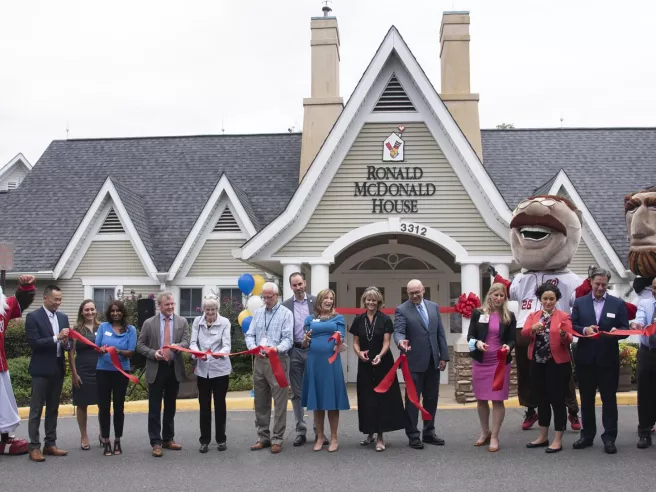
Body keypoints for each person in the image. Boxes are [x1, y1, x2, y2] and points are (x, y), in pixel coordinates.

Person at [491, 195, 587, 431]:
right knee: (528, 376)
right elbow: (508, 291)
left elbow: (582, 298)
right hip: (526, 331)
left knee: (562, 376)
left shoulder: (568, 279)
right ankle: (531, 410)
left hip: (556, 332)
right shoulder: (523, 278)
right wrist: (496, 279)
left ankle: (572, 411)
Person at [571, 268, 629, 454]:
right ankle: (587, 436)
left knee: (609, 400)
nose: (600, 287)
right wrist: (584, 330)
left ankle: (609, 438)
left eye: (604, 284)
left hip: (608, 359)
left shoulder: (617, 303)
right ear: (591, 282)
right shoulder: (580, 303)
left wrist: (616, 334)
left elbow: (625, 328)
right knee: (587, 400)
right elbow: (572, 325)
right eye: (597, 284)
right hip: (585, 359)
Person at [393, 279, 449, 450]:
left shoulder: (433, 307)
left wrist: (443, 356)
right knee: (412, 400)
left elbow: (439, 332)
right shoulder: (402, 310)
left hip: (433, 361)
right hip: (413, 362)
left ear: (423, 290)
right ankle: (413, 435)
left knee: (431, 399)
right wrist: (401, 342)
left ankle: (429, 432)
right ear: (407, 293)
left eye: (417, 292)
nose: (415, 295)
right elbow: (399, 331)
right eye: (411, 293)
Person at [350, 286, 406, 452]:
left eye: (374, 300)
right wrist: (359, 353)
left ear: (378, 302)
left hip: (383, 362)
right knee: (366, 398)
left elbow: (387, 343)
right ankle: (369, 432)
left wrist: (380, 356)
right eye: (368, 299)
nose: (371, 302)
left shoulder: (385, 319)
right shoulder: (358, 319)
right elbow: (355, 342)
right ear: (364, 301)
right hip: (365, 363)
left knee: (382, 399)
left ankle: (380, 436)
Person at [136, 291, 190, 457]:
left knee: (170, 406)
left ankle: (168, 438)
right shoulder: (149, 323)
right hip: (156, 368)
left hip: (173, 368)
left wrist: (177, 346)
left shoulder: (182, 321)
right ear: (159, 306)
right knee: (154, 407)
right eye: (167, 305)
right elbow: (140, 345)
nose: (171, 307)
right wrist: (153, 354)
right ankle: (156, 442)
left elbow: (187, 341)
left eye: (172, 304)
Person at [521, 283, 573, 454]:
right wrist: (532, 329)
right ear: (540, 299)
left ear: (556, 299)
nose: (548, 302)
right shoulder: (533, 315)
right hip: (537, 363)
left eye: (552, 299)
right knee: (541, 400)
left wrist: (564, 334)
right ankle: (543, 437)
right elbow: (524, 334)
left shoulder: (564, 316)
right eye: (545, 299)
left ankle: (558, 439)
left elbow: (569, 339)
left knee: (557, 401)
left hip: (557, 364)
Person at [467, 282, 516, 452]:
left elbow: (512, 339)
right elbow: (470, 336)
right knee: (481, 399)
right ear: (489, 295)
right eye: (496, 295)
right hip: (481, 363)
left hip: (500, 363)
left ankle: (495, 436)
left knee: (497, 400)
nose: (499, 298)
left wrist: (508, 347)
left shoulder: (509, 316)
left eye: (502, 296)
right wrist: (478, 343)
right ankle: (484, 432)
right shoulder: (478, 313)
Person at [245, 282, 293, 454]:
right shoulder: (257, 313)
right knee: (260, 400)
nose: (266, 300)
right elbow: (250, 334)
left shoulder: (286, 314)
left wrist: (276, 349)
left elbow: (288, 339)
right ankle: (263, 437)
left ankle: (277, 438)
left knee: (279, 402)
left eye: (269, 297)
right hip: (260, 360)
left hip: (277, 359)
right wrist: (254, 347)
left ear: (277, 295)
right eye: (263, 297)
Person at [25, 284, 70, 462]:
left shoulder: (63, 317)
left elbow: (67, 344)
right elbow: (35, 343)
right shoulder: (33, 317)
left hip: (57, 369)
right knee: (36, 410)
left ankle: (50, 444)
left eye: (60, 299)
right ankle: (34, 447)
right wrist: (56, 338)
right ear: (45, 298)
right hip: (40, 370)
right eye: (55, 299)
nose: (58, 303)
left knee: (53, 409)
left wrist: (66, 344)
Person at [301, 288, 349, 452]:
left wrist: (338, 338)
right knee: (317, 401)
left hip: (331, 363)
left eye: (331, 298)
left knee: (332, 401)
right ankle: (320, 437)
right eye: (326, 298)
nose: (329, 301)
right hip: (314, 362)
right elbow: (305, 344)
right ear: (319, 300)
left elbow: (341, 337)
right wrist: (305, 340)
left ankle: (334, 437)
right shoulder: (309, 319)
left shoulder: (338, 318)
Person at [281, 272, 323, 447]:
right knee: (296, 393)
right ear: (291, 286)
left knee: (315, 390)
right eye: (294, 285)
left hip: (314, 350)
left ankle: (318, 431)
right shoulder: (285, 306)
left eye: (300, 284)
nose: (298, 288)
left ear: (305, 283)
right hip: (294, 351)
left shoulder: (316, 302)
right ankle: (300, 430)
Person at [189, 295, 231, 453]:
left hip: (220, 370)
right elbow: (193, 343)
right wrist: (197, 353)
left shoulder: (224, 322)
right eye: (207, 310)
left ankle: (221, 439)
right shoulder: (197, 323)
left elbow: (227, 345)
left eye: (213, 310)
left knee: (220, 405)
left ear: (217, 309)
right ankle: (204, 440)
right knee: (204, 406)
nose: (210, 313)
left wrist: (219, 354)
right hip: (202, 370)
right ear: (203, 310)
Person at [0, 275, 36, 456]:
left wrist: (26, 286)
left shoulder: (2, 307)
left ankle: (4, 439)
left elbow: (19, 302)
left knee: (4, 405)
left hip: (0, 365)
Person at [95, 300, 137, 456]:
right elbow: (97, 348)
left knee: (119, 407)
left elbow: (131, 351)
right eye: (112, 311)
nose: (115, 313)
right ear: (109, 313)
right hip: (103, 371)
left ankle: (117, 440)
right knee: (104, 407)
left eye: (118, 310)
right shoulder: (103, 327)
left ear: (122, 312)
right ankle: (105, 440)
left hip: (121, 372)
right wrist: (100, 350)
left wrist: (116, 351)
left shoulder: (130, 329)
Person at [68, 299, 101, 451]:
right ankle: (84, 436)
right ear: (82, 312)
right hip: (82, 370)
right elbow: (71, 353)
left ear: (96, 310)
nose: (90, 312)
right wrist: (74, 374)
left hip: (101, 370)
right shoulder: (76, 330)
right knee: (82, 404)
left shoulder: (102, 327)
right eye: (86, 310)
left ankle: (103, 433)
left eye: (92, 309)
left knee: (103, 404)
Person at [630, 277, 656, 449]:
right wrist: (636, 324)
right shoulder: (645, 303)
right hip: (647, 353)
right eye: (654, 288)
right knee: (645, 394)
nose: (654, 291)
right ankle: (644, 433)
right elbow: (639, 319)